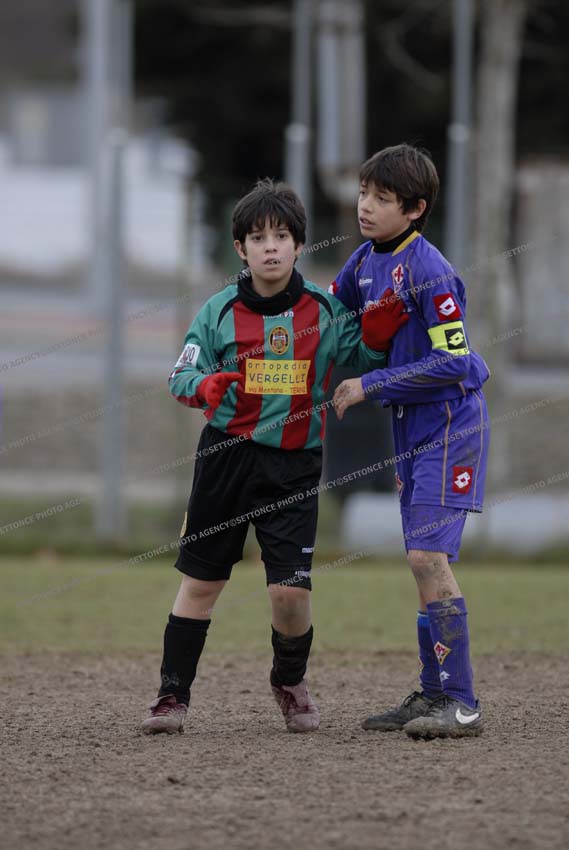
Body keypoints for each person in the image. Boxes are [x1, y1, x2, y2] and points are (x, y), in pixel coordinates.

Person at [141, 178, 407, 735]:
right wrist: (205, 385)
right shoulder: (217, 312)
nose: (270, 247)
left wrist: (378, 335)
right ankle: (171, 696)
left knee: (289, 592)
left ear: (298, 245)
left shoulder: (324, 311)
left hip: (294, 465)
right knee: (202, 583)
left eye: (281, 236)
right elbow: (180, 374)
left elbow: (362, 355)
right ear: (240, 249)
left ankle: (289, 681)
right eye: (258, 238)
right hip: (226, 459)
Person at [332, 143, 490, 739]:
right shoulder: (363, 261)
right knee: (421, 562)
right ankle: (432, 694)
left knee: (427, 557)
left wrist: (370, 382)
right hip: (409, 427)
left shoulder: (431, 270)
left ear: (415, 209)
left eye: (382, 198)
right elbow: (327, 314)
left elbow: (455, 361)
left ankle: (463, 703)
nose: (365, 206)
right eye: (363, 193)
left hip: (450, 424)